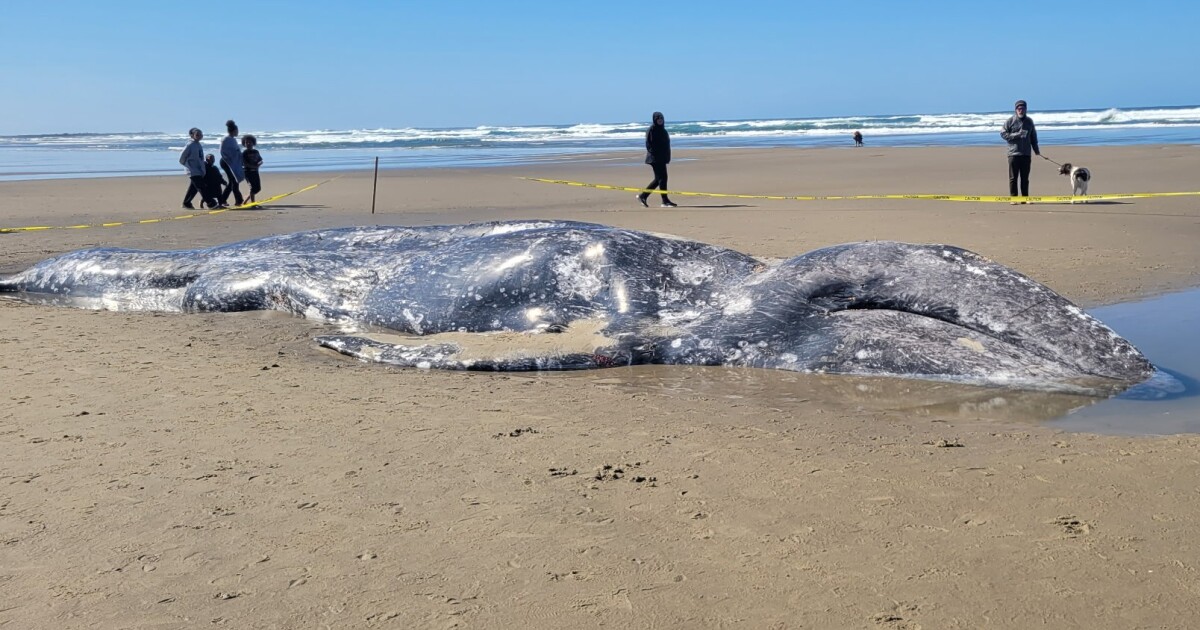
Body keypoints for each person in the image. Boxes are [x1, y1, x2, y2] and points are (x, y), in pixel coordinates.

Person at [1000, 99, 1040, 203]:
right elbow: (1003, 134)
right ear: (1015, 110)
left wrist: (1036, 150)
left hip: (1026, 154)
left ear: (1026, 109)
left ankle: (1025, 198)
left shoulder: (1029, 121)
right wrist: (1017, 134)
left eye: (1022, 108)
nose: (1020, 110)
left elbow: (1033, 137)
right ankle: (1013, 198)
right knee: (1013, 178)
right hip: (1013, 154)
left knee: (1025, 178)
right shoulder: (1010, 121)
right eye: (1019, 108)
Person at [636, 111, 677, 208]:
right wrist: (656, 155)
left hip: (662, 158)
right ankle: (663, 200)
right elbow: (649, 145)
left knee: (660, 179)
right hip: (655, 159)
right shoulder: (652, 130)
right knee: (661, 179)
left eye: (661, 119)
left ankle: (645, 196)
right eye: (658, 119)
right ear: (655, 120)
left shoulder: (663, 130)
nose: (660, 121)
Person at [179, 128, 217, 209]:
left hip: (199, 170)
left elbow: (200, 158)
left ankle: (186, 203)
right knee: (201, 187)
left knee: (193, 188)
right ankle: (210, 203)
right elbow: (182, 158)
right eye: (197, 135)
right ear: (192, 135)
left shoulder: (198, 144)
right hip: (192, 171)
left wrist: (202, 168)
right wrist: (188, 166)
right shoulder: (190, 145)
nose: (200, 136)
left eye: (201, 134)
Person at [219, 119, 245, 207]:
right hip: (226, 162)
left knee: (233, 181)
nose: (238, 132)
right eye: (237, 131)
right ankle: (238, 200)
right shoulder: (226, 139)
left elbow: (235, 152)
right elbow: (224, 152)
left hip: (230, 162)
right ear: (234, 131)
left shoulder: (232, 139)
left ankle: (223, 200)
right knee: (233, 181)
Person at [241, 134, 263, 204]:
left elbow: (260, 160)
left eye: (249, 142)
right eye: (246, 142)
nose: (248, 144)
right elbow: (244, 163)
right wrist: (253, 167)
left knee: (258, 189)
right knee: (252, 188)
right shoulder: (244, 153)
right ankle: (253, 203)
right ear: (244, 144)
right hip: (248, 172)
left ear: (253, 143)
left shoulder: (256, 152)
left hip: (255, 172)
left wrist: (259, 164)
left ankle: (245, 200)